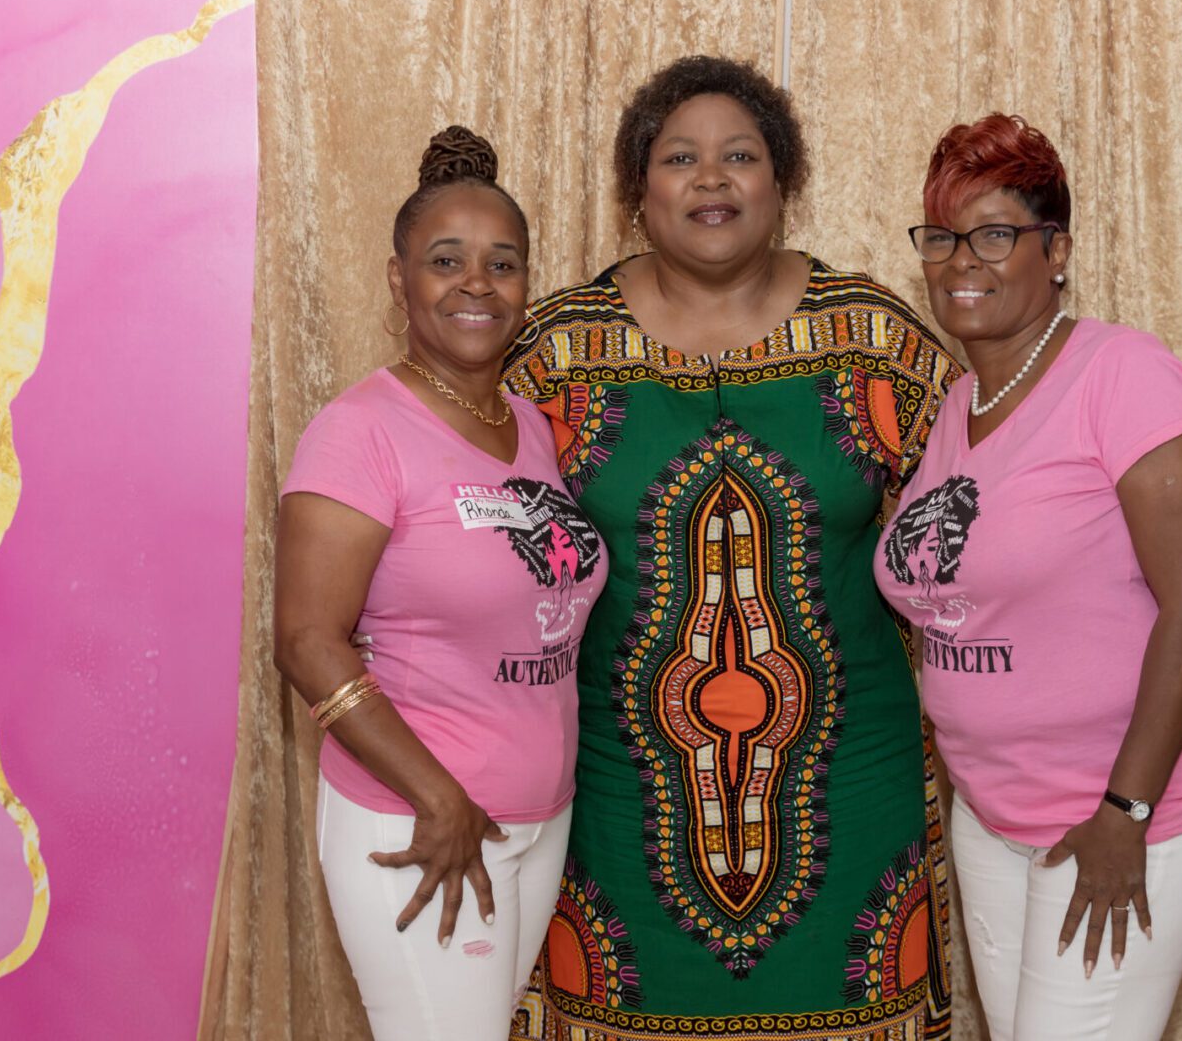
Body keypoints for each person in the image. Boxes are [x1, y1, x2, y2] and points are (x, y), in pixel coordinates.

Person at [503, 56, 960, 1039]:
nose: (711, 180)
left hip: (854, 802)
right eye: (680, 158)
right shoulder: (550, 355)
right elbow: (462, 536)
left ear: (782, 183)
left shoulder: (874, 338)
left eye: (739, 156)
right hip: (615, 813)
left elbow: (983, 529)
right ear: (638, 193)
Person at [875, 112, 1182, 1040]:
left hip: (1122, 818)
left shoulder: (1124, 374)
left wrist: (1127, 812)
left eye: (996, 234)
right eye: (943, 238)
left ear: (1057, 249)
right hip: (996, 819)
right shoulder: (961, 404)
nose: (964, 260)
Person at [272, 126, 607, 1040]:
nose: (476, 283)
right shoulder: (359, 432)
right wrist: (439, 797)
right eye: (445, 260)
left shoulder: (533, 426)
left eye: (502, 263)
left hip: (535, 819)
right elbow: (305, 641)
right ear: (398, 280)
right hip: (423, 823)